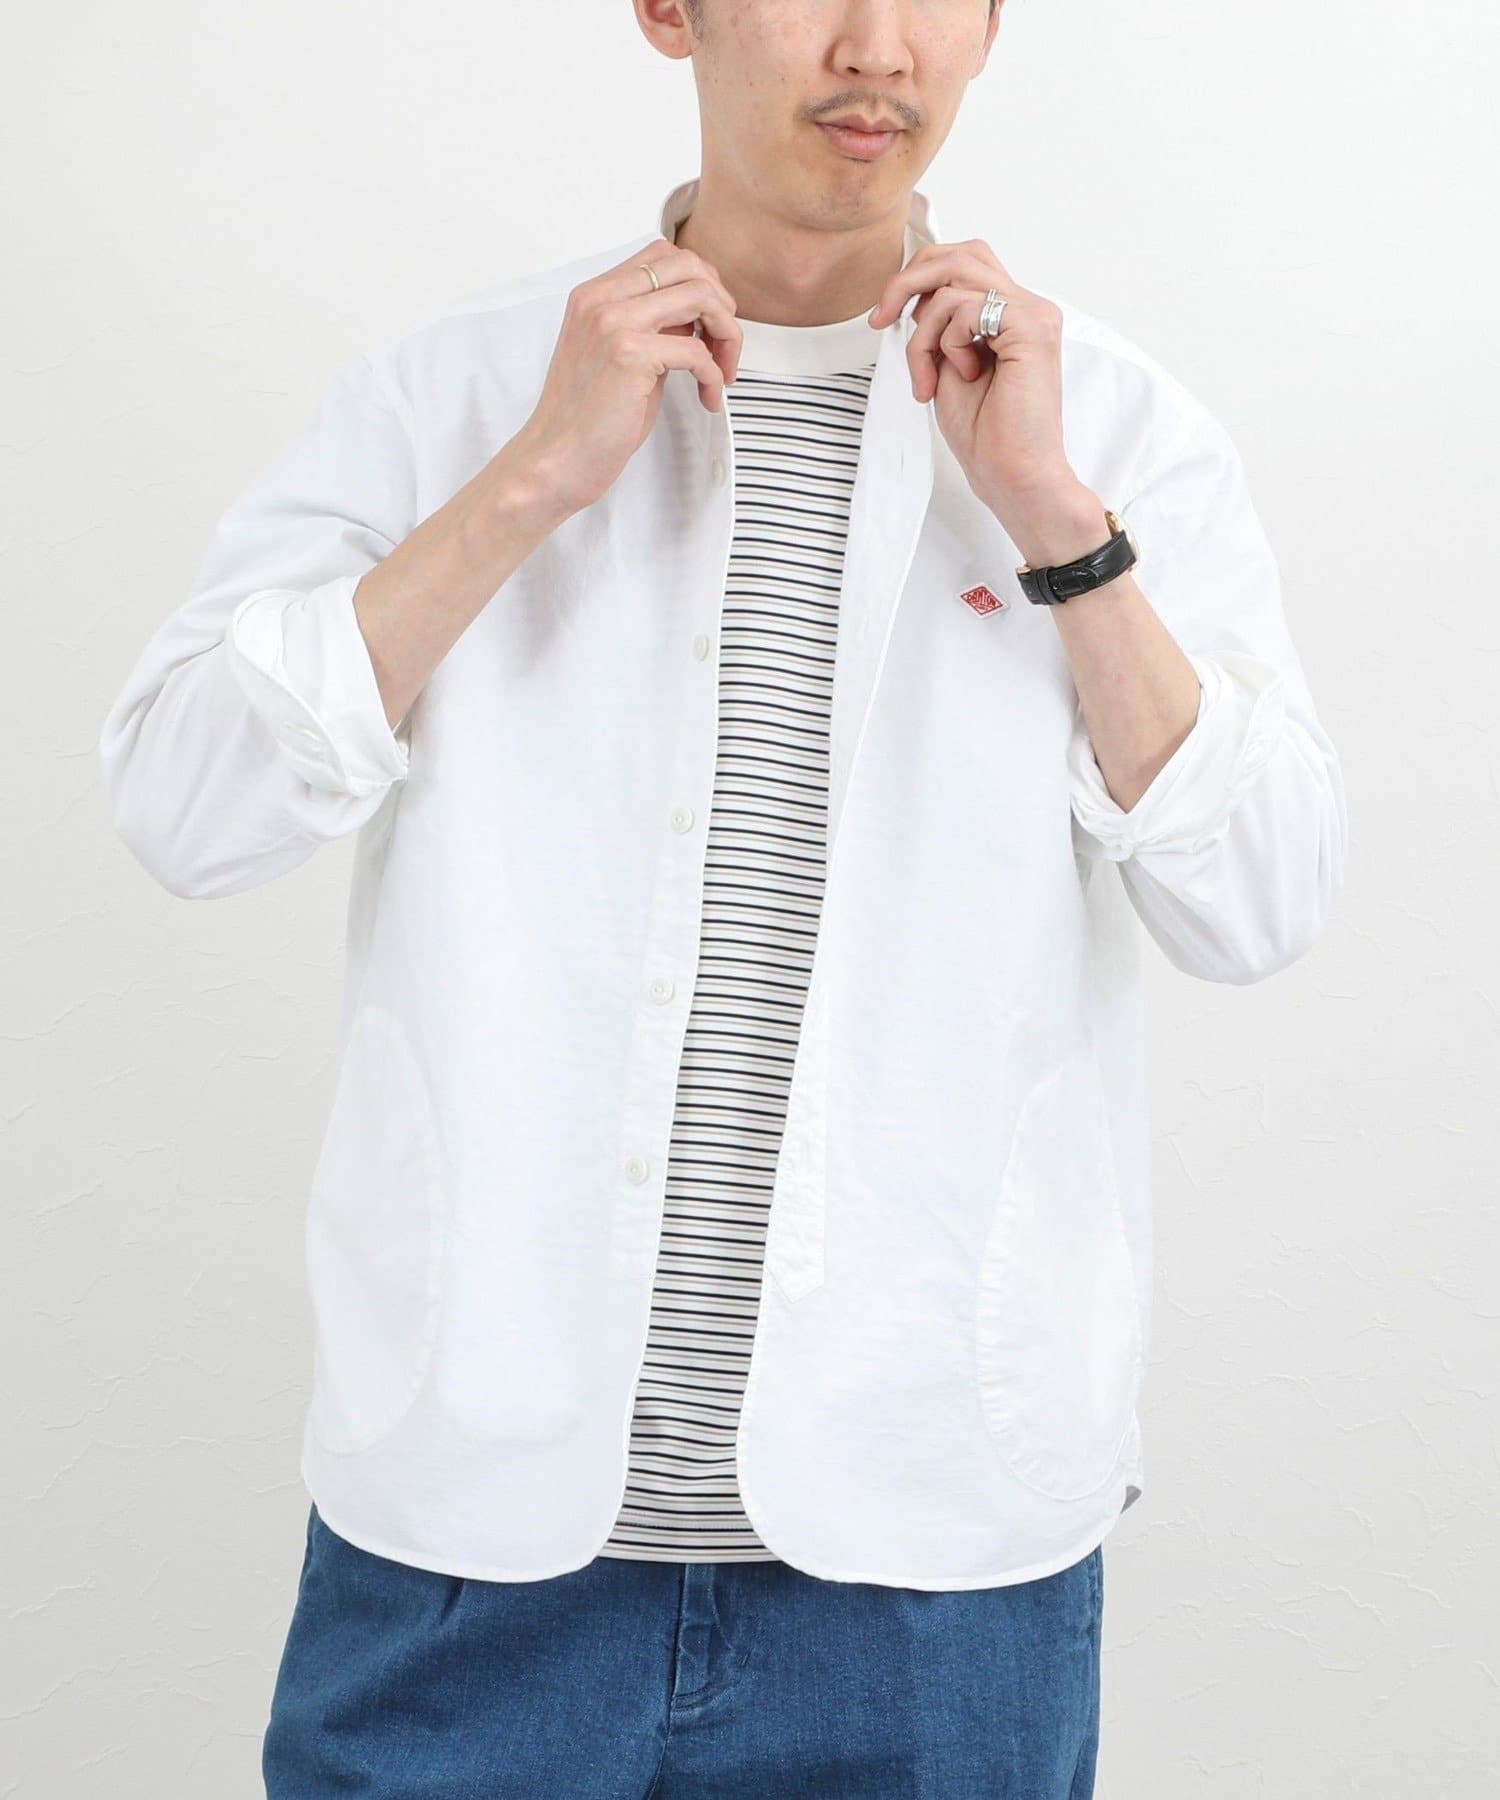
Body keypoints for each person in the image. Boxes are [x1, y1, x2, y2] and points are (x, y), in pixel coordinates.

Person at [98, 1, 1348, 1793]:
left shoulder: (1114, 433)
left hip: (932, 1578)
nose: (877, 45)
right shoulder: (454, 395)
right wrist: (534, 479)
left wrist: (1055, 520)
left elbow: (1263, 899)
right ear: (669, 9)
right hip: (475, 1555)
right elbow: (185, 805)